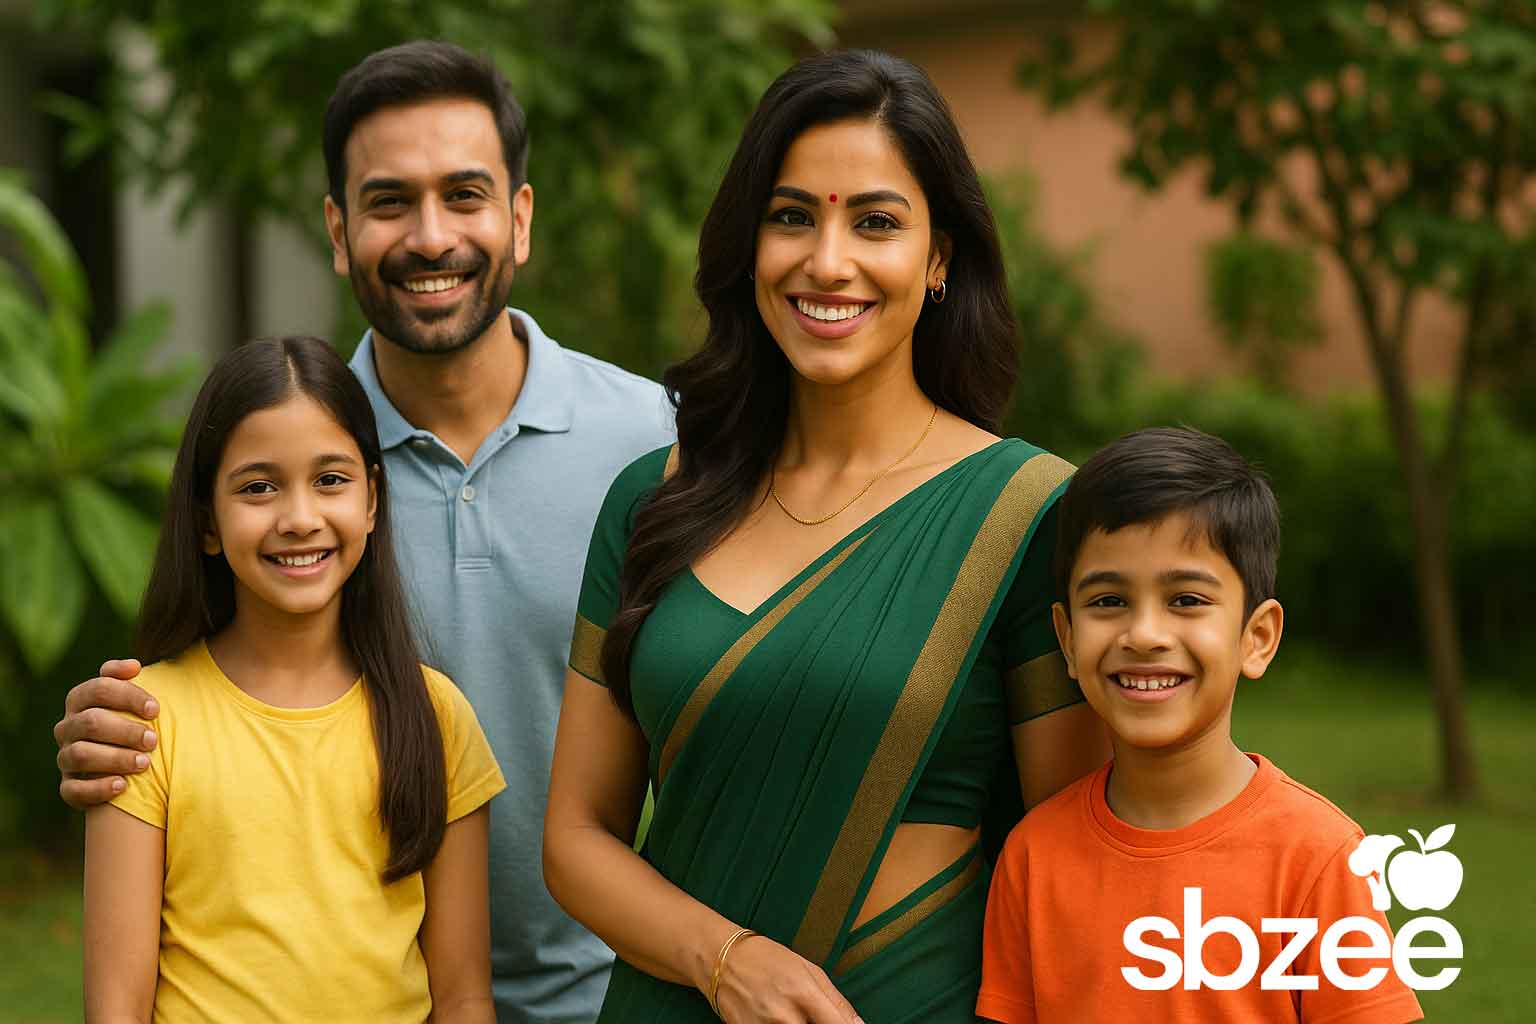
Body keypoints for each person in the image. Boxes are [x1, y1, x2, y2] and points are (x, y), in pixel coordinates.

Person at [54, 42, 673, 1023]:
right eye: (390, 202)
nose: (431, 236)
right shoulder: (292, 462)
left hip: (610, 998)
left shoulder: (655, 444)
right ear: (339, 232)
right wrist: (104, 729)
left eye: (465, 195)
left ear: (518, 219)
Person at [542, 50, 1110, 1023]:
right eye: (792, 215)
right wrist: (727, 961)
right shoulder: (655, 500)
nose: (827, 260)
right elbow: (575, 839)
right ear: (748, 245)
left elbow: (1073, 863)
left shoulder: (1029, 515)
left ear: (939, 261)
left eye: (876, 221)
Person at [83, 337, 505, 1022]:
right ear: (206, 523)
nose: (300, 518)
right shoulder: (144, 724)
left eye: (331, 480)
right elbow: (115, 1007)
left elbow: (463, 996)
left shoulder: (437, 716)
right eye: (258, 487)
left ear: (373, 500)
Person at [976, 427, 1425, 1023]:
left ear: (1256, 638)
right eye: (1108, 601)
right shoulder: (1032, 858)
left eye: (1186, 600)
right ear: (1066, 638)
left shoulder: (1319, 858)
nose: (1145, 635)